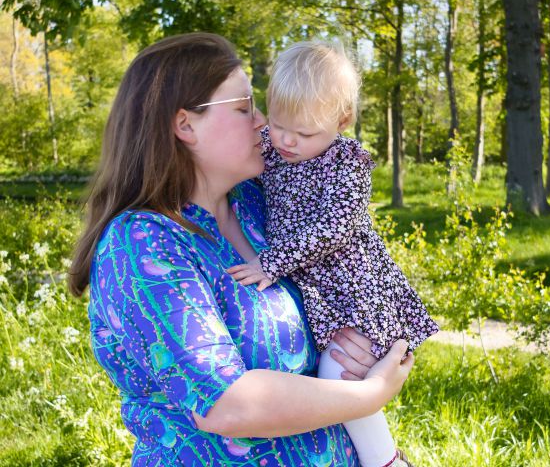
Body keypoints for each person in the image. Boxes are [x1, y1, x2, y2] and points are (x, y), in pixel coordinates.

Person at [68, 33, 415, 466]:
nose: (263, 121)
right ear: (185, 125)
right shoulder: (143, 244)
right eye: (243, 107)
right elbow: (227, 404)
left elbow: (352, 269)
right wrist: (369, 394)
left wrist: (365, 346)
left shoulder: (258, 205)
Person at [228, 40, 438, 467]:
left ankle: (384, 459)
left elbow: (335, 229)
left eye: (305, 133)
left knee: (337, 373)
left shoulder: (346, 164)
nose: (286, 140)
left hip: (355, 289)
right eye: (280, 124)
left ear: (341, 122)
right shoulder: (273, 144)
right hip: (318, 289)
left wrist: (272, 262)